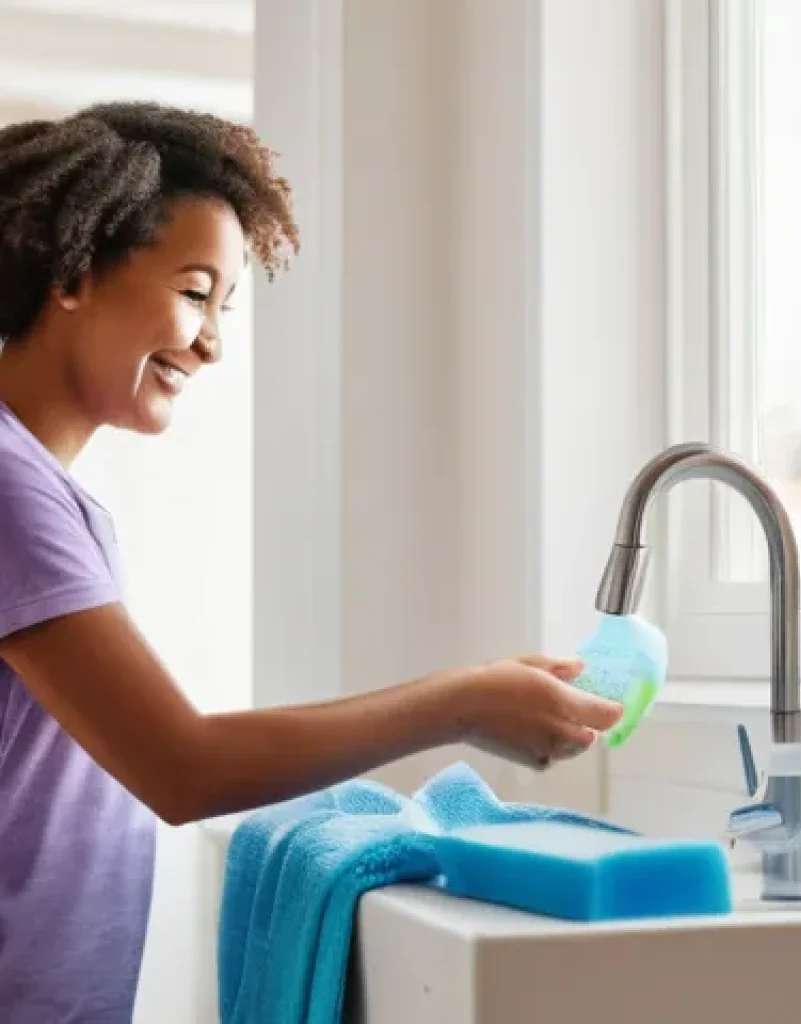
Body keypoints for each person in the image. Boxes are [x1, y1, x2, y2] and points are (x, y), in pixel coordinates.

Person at [0, 102, 622, 1023]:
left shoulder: (39, 488)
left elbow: (164, 743)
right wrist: (461, 702)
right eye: (193, 289)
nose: (211, 340)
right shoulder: (12, 487)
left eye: (224, 306)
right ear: (75, 271)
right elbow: (181, 766)